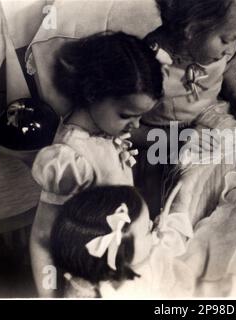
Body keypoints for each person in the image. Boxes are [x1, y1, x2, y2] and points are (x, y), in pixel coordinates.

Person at [29, 32, 163, 297]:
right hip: (92, 277)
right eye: (127, 115)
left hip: (122, 262)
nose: (136, 125)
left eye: (140, 117)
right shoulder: (71, 159)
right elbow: (43, 238)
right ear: (92, 94)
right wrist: (48, 295)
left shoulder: (106, 132)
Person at [130, 0, 236, 148]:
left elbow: (226, 69)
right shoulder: (147, 66)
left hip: (209, 115)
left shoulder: (219, 47)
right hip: (159, 134)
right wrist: (176, 138)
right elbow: (123, 129)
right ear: (191, 30)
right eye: (226, 41)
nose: (229, 49)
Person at [50, 184, 194, 298]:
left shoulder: (98, 269)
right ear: (120, 257)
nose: (154, 227)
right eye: (148, 230)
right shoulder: (125, 293)